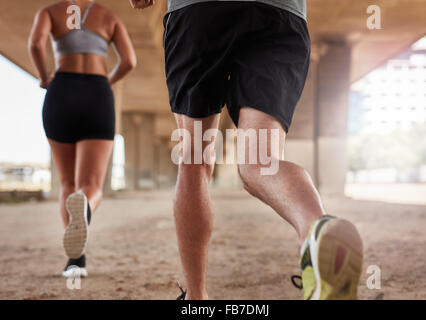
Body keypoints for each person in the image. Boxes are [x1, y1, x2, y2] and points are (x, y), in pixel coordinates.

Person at [129, 0, 363, 300]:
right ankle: (318, 232)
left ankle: (196, 298)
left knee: (194, 161)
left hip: (199, 14)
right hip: (279, 14)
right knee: (260, 163)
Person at [29, 0, 136, 277]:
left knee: (66, 182)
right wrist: (105, 82)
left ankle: (75, 262)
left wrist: (44, 77)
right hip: (97, 93)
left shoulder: (50, 12)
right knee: (90, 184)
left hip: (61, 90)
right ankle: (85, 206)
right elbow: (129, 61)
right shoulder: (108, 16)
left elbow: (36, 44)